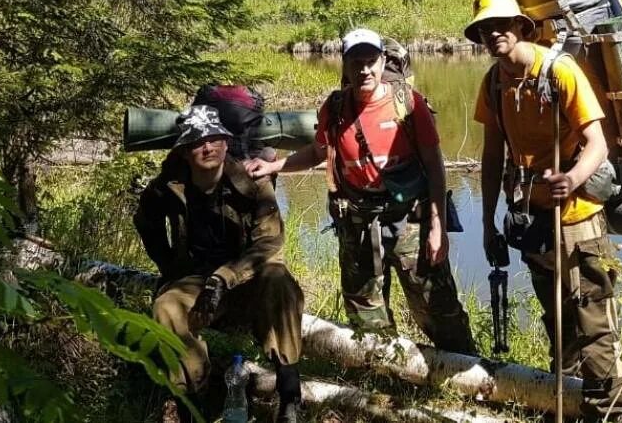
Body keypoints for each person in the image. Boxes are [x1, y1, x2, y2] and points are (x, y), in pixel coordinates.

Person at [245, 28, 475, 353]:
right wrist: (272, 166)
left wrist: (438, 227)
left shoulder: (408, 104)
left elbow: (435, 168)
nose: (364, 70)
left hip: (409, 219)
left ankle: (466, 369)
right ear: (345, 65)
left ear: (382, 62)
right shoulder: (336, 108)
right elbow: (316, 152)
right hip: (357, 222)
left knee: (434, 302)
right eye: (356, 62)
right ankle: (384, 370)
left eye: (370, 61)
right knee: (364, 308)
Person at [465, 0, 622, 422]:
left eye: (502, 24)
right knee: (557, 321)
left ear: (522, 26)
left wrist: (572, 179)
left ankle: (606, 412)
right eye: (485, 28)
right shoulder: (495, 82)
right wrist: (487, 221)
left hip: (577, 218)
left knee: (593, 321)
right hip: (532, 219)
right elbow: (491, 154)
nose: (493, 33)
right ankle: (564, 402)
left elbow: (598, 141)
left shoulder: (560, 71)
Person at [134, 104, 304, 423]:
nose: (208, 147)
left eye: (215, 138)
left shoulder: (251, 182)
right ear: (185, 150)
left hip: (244, 281)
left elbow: (269, 243)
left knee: (279, 279)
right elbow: (146, 221)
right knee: (167, 307)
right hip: (195, 281)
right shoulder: (168, 186)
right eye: (198, 141)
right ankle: (191, 404)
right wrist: (169, 268)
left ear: (226, 143)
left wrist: (224, 277)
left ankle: (289, 397)